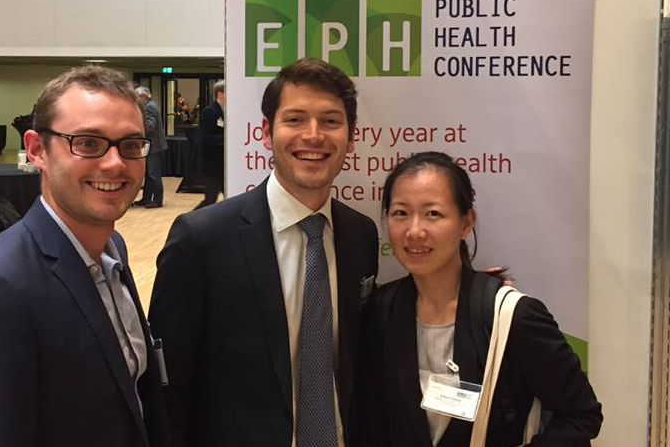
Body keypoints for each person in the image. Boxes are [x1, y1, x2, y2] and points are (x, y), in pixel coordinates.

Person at [149, 58, 379, 447]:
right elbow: (166, 387)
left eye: (330, 121)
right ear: (266, 133)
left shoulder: (361, 235)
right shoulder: (202, 240)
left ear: (351, 137)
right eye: (294, 119)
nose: (314, 135)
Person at [0, 66, 169, 447]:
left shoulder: (112, 251)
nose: (116, 163)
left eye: (131, 145)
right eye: (87, 143)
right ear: (37, 150)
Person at [356, 151, 602, 447]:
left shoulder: (512, 317)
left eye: (433, 213)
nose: (414, 230)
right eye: (400, 213)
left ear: (466, 222)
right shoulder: (380, 311)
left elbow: (582, 415)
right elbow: (369, 421)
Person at [134, 86, 167, 208]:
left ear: (144, 96)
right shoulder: (149, 105)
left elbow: (150, 126)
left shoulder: (149, 107)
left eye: (137, 96)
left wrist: (136, 129)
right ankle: (146, 198)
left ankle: (158, 200)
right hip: (150, 146)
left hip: (154, 146)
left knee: (154, 174)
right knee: (148, 174)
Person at [194, 80, 225, 209]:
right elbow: (203, 139)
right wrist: (227, 138)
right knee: (210, 199)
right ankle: (190, 221)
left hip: (222, 166)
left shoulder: (224, 111)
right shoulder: (210, 111)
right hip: (211, 166)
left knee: (231, 196)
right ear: (220, 93)